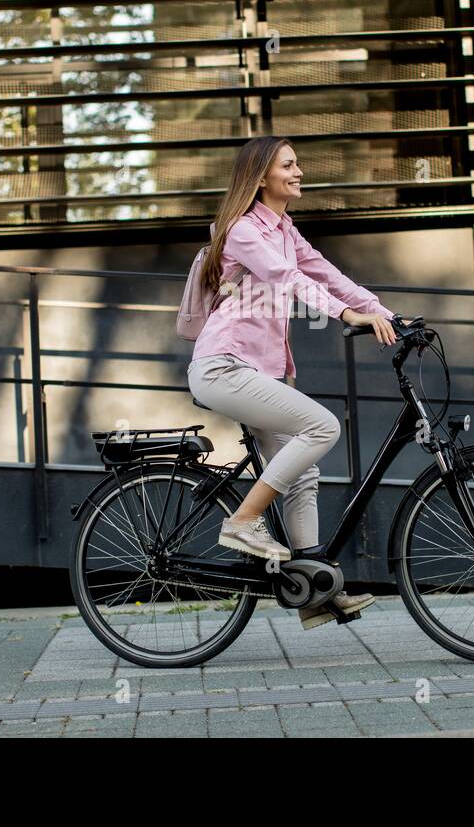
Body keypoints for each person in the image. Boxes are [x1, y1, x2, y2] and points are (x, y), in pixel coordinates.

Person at [187, 135, 399, 629]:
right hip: (223, 366)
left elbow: (328, 275)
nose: (299, 171)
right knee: (322, 427)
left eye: (298, 163)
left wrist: (390, 316)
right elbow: (289, 280)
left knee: (304, 473)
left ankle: (313, 588)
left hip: (256, 374)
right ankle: (242, 521)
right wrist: (347, 314)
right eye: (289, 164)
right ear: (262, 177)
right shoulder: (242, 230)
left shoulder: (284, 229)